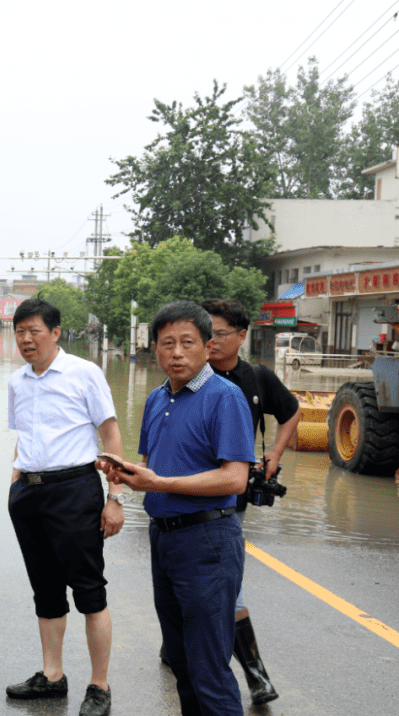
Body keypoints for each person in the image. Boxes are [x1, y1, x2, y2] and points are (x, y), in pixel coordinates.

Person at [100, 300, 255, 716]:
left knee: (209, 667)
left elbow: (234, 479)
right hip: (164, 539)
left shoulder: (225, 397)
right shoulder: (155, 398)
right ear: (154, 348)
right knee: (181, 664)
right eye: (167, 343)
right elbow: (151, 466)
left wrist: (160, 482)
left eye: (188, 342)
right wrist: (125, 472)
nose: (177, 352)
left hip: (208, 539)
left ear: (208, 346)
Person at [3, 298, 125, 716]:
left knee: (90, 592)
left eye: (34, 330)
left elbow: (111, 436)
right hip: (29, 494)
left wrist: (115, 499)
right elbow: (24, 436)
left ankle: (100, 685)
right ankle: (52, 676)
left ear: (56, 333)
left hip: (75, 490)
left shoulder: (84, 373)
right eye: (20, 331)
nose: (26, 339)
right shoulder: (17, 381)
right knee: (46, 591)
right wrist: (15, 485)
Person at [197, 297, 299, 705]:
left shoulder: (256, 379)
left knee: (227, 588)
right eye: (206, 334)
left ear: (242, 336)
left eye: (219, 334)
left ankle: (255, 675)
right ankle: (183, 648)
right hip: (185, 499)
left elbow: (291, 412)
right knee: (202, 587)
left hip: (230, 504)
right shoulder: (188, 377)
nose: (210, 342)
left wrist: (275, 453)